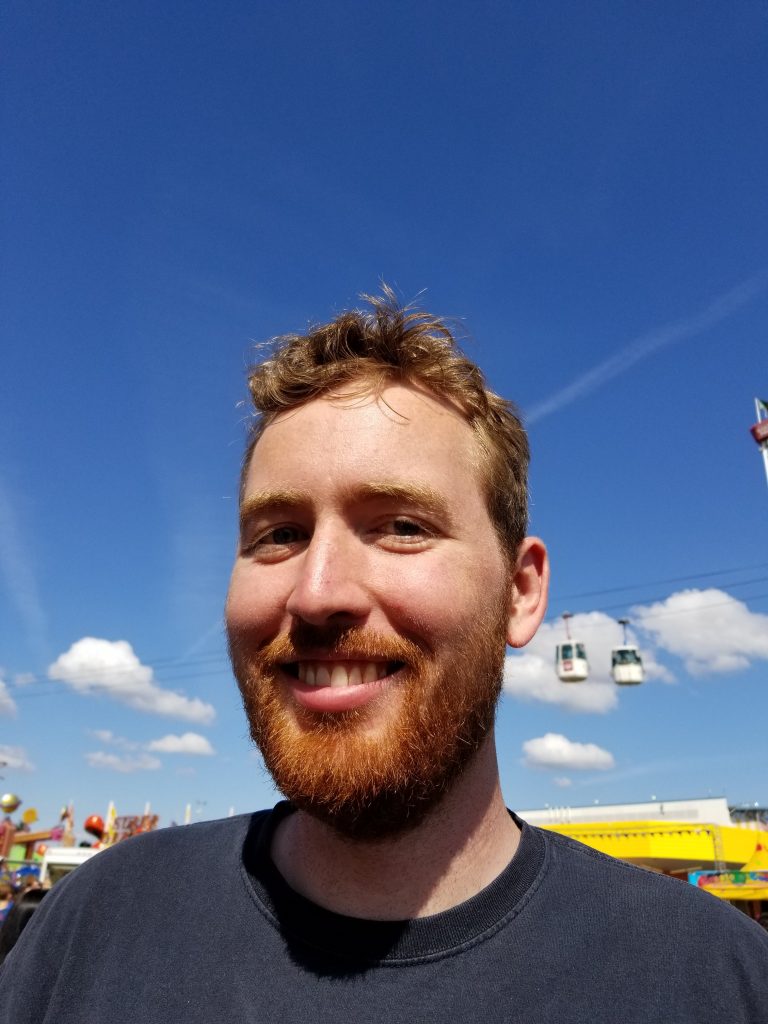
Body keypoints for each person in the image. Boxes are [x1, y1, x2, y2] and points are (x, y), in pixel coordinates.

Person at [0, 291, 766, 1022]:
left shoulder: (715, 978)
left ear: (521, 592)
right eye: (278, 535)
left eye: (401, 526)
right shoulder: (94, 925)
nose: (316, 593)